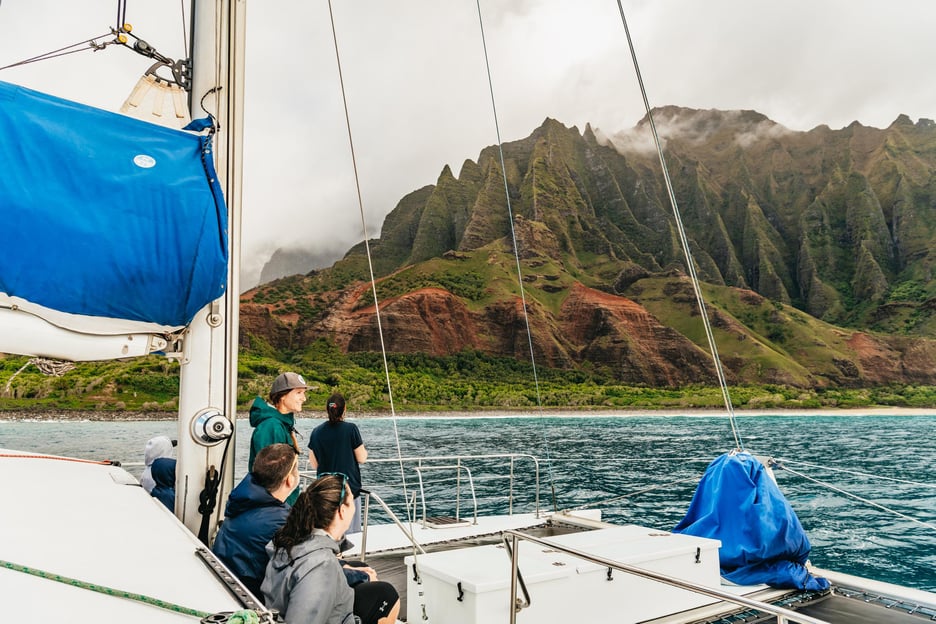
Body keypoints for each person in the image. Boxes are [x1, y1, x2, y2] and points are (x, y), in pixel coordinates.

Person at [262, 474, 400, 624]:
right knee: (387, 593)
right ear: (341, 511)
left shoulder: (292, 537)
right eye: (351, 500)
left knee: (364, 571)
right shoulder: (322, 566)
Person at [212, 443, 300, 600]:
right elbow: (304, 573)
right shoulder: (282, 521)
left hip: (229, 583)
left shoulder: (242, 501)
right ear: (289, 480)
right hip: (254, 597)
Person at [308, 393, 368, 534]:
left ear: (327, 409)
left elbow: (314, 463)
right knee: (349, 534)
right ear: (344, 409)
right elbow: (362, 458)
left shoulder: (316, 432)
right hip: (348, 489)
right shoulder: (351, 429)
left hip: (325, 490)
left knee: (327, 531)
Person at [249, 372, 308, 505]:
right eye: (299, 393)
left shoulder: (282, 424)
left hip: (281, 506)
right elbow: (268, 476)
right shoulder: (271, 427)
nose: (304, 398)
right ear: (282, 396)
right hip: (272, 508)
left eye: (304, 393)